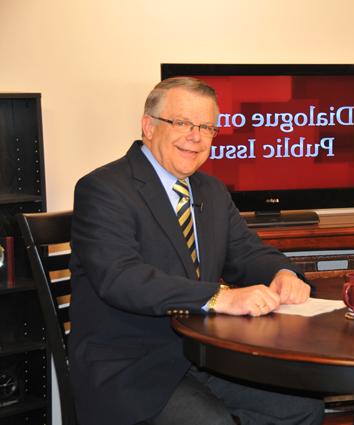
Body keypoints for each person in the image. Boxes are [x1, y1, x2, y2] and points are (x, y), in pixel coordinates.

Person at [69, 77, 325, 425]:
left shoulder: (212, 190)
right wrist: (221, 297)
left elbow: (246, 252)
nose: (197, 136)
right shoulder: (103, 189)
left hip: (204, 354)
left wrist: (283, 273)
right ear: (148, 125)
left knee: (301, 408)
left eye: (207, 127)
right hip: (130, 367)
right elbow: (121, 278)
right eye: (183, 123)